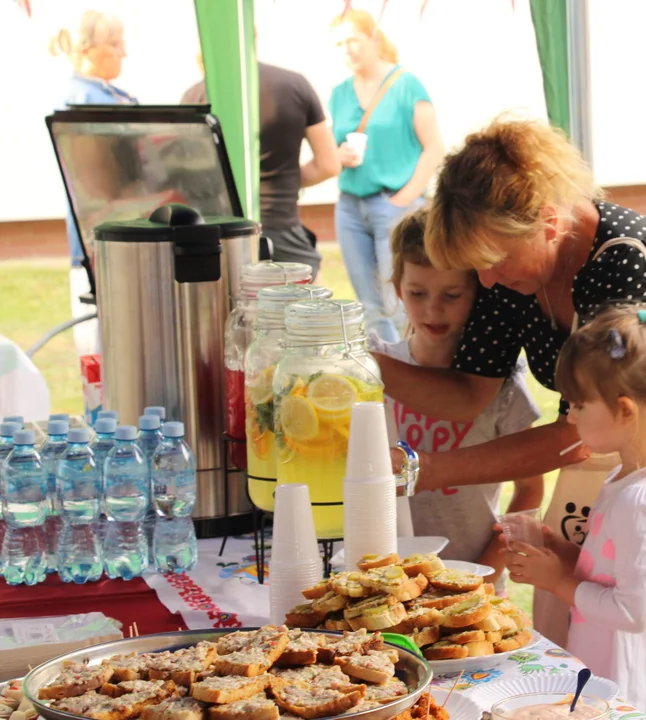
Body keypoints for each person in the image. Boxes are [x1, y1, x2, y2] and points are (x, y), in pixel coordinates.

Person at [376, 117, 646, 720]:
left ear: (548, 223)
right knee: (590, 642)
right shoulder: (511, 269)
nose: (486, 281)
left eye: (494, 260)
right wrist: (356, 363)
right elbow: (466, 394)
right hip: (620, 461)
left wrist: (420, 472)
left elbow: (577, 437)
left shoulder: (621, 260)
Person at [506, 306, 646, 720]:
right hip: (616, 681)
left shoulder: (641, 499)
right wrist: (556, 548)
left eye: (578, 405)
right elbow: (615, 572)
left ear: (625, 410)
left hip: (631, 691)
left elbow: (632, 611)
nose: (570, 416)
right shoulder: (625, 478)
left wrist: (557, 581)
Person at [378, 209, 544, 590]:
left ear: (479, 293)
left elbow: (530, 488)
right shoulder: (373, 373)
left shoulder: (504, 390)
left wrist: (486, 571)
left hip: (474, 581)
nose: (433, 309)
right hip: (388, 579)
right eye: (418, 293)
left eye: (451, 295)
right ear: (399, 289)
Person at [329, 9, 444, 342]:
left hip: (392, 204)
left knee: (398, 301)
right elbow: (331, 151)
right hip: (349, 206)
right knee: (367, 304)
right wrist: (339, 156)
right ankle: (386, 381)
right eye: (338, 44)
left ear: (373, 38)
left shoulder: (406, 84)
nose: (346, 50)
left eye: (352, 40)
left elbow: (434, 147)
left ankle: (416, 370)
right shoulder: (339, 93)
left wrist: (406, 197)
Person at [51, 10, 136, 421]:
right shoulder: (85, 102)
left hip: (116, 247)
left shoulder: (107, 96)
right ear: (88, 50)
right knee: (102, 362)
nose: (124, 52)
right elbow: (101, 187)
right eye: (116, 44)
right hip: (99, 252)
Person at [182, 59, 341, 278]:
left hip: (221, 230)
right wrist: (287, 180)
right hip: (280, 223)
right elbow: (328, 165)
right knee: (306, 306)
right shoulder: (294, 85)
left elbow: (189, 173)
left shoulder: (195, 95)